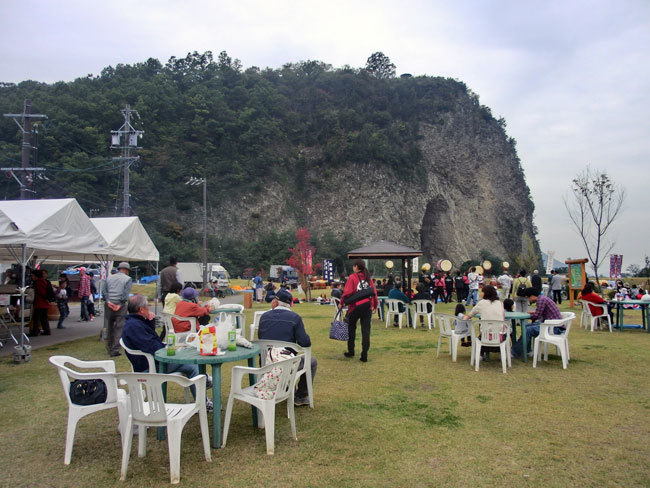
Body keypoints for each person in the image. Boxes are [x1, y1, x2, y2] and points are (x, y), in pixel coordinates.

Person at [121, 294, 212, 411]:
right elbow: (153, 347)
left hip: (152, 362)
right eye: (147, 307)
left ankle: (204, 387)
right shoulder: (134, 326)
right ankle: (203, 399)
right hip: (150, 366)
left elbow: (151, 340)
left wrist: (150, 322)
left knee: (190, 363)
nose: (149, 309)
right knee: (193, 366)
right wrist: (167, 348)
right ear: (141, 309)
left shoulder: (135, 323)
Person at [258, 288, 317, 406]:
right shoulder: (295, 318)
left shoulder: (264, 317)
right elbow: (305, 343)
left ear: (275, 302)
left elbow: (261, 338)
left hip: (266, 362)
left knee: (289, 360)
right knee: (312, 361)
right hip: (286, 363)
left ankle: (286, 388)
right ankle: (300, 396)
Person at [340, 259, 378, 362]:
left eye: (354, 266)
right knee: (366, 331)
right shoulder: (368, 278)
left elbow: (347, 292)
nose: (353, 268)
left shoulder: (352, 277)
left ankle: (351, 350)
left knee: (351, 329)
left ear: (356, 267)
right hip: (367, 306)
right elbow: (373, 292)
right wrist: (375, 304)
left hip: (354, 307)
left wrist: (341, 302)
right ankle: (364, 354)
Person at [512, 287, 563, 359]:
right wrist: (531, 313)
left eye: (528, 298)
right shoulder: (543, 298)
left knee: (528, 330)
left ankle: (515, 353)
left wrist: (526, 316)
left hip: (553, 328)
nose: (529, 300)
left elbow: (537, 316)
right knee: (526, 327)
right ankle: (527, 350)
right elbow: (539, 312)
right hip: (552, 325)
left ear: (532, 296)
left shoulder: (541, 300)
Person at [102, 262, 133, 357]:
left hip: (109, 303)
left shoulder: (109, 277)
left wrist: (108, 301)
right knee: (119, 327)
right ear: (126, 270)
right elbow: (125, 293)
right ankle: (115, 349)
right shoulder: (128, 279)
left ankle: (109, 346)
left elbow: (104, 291)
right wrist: (120, 304)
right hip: (120, 305)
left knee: (110, 326)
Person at [29, 269, 51, 337]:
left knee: (36, 318)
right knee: (44, 318)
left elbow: (42, 292)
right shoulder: (44, 281)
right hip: (44, 303)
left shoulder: (38, 283)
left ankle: (35, 331)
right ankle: (46, 330)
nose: (32, 277)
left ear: (36, 276)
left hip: (40, 303)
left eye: (33, 276)